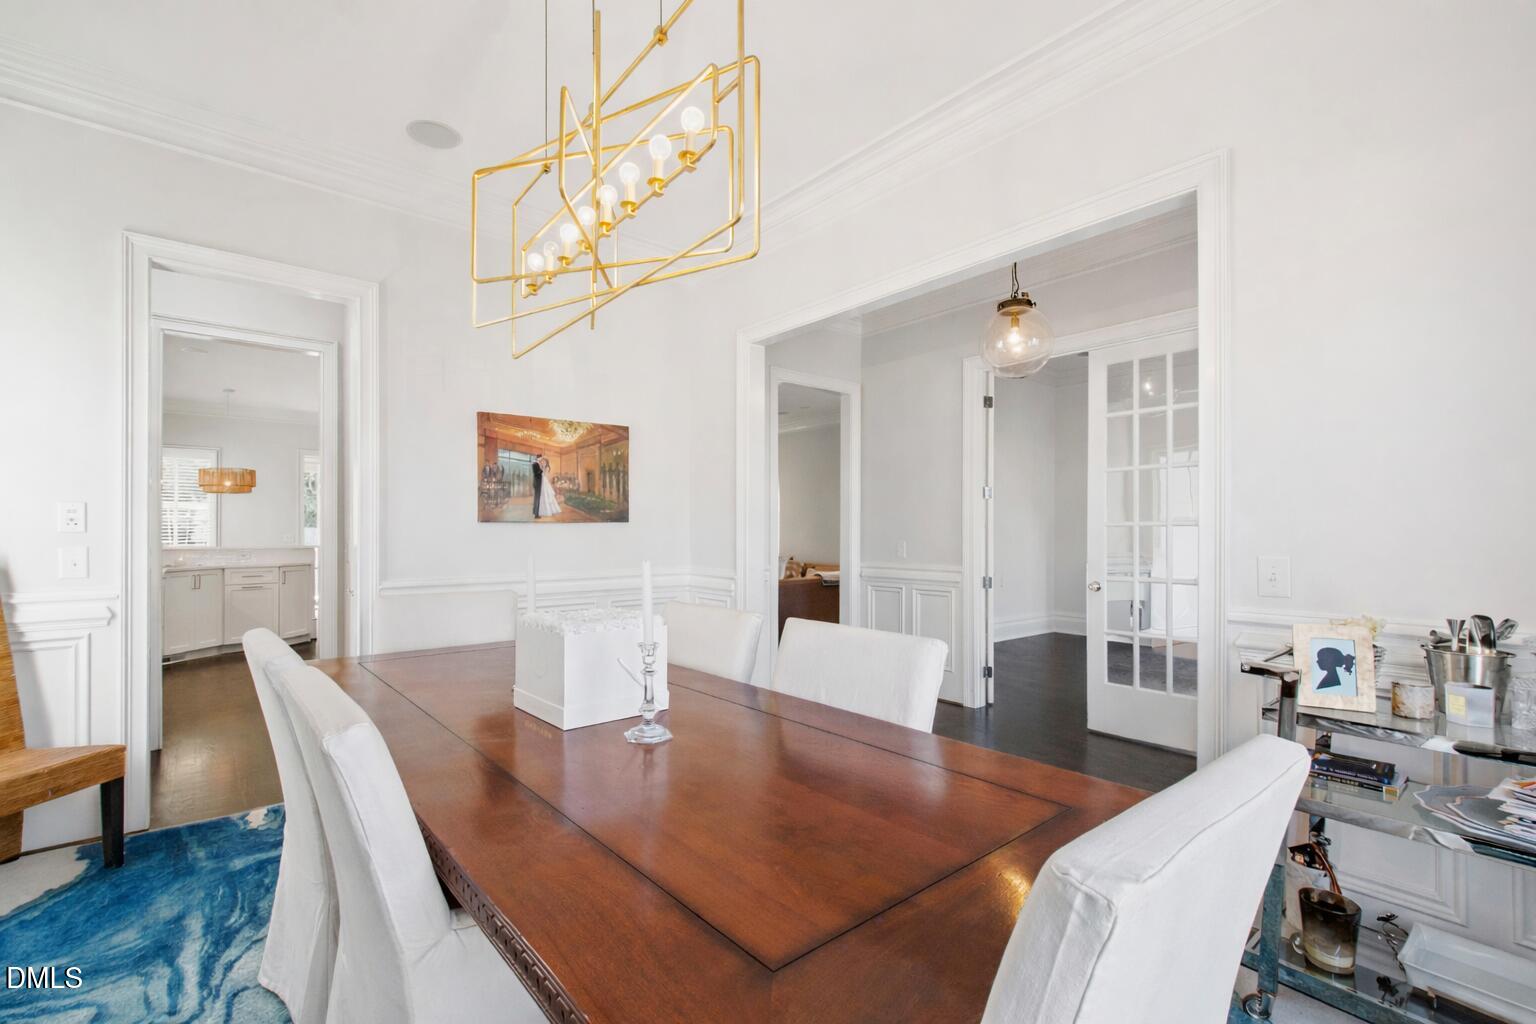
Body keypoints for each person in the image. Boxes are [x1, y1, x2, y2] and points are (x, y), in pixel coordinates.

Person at [530, 454, 544, 518]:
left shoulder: (536, 464)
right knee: (537, 499)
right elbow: (536, 473)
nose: (541, 459)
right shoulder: (535, 464)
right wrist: (541, 470)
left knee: (537, 498)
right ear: (539, 458)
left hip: (537, 482)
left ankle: (536, 512)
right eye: (541, 458)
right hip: (537, 482)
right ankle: (536, 514)